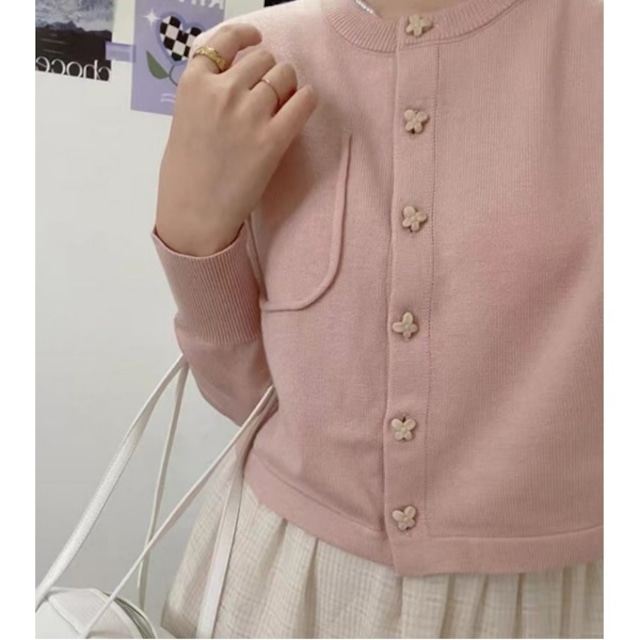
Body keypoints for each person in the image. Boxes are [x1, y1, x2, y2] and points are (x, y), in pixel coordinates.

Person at [151, 0, 603, 637]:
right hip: (282, 585)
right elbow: (244, 397)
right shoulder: (260, 57)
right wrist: (192, 231)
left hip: (545, 601)